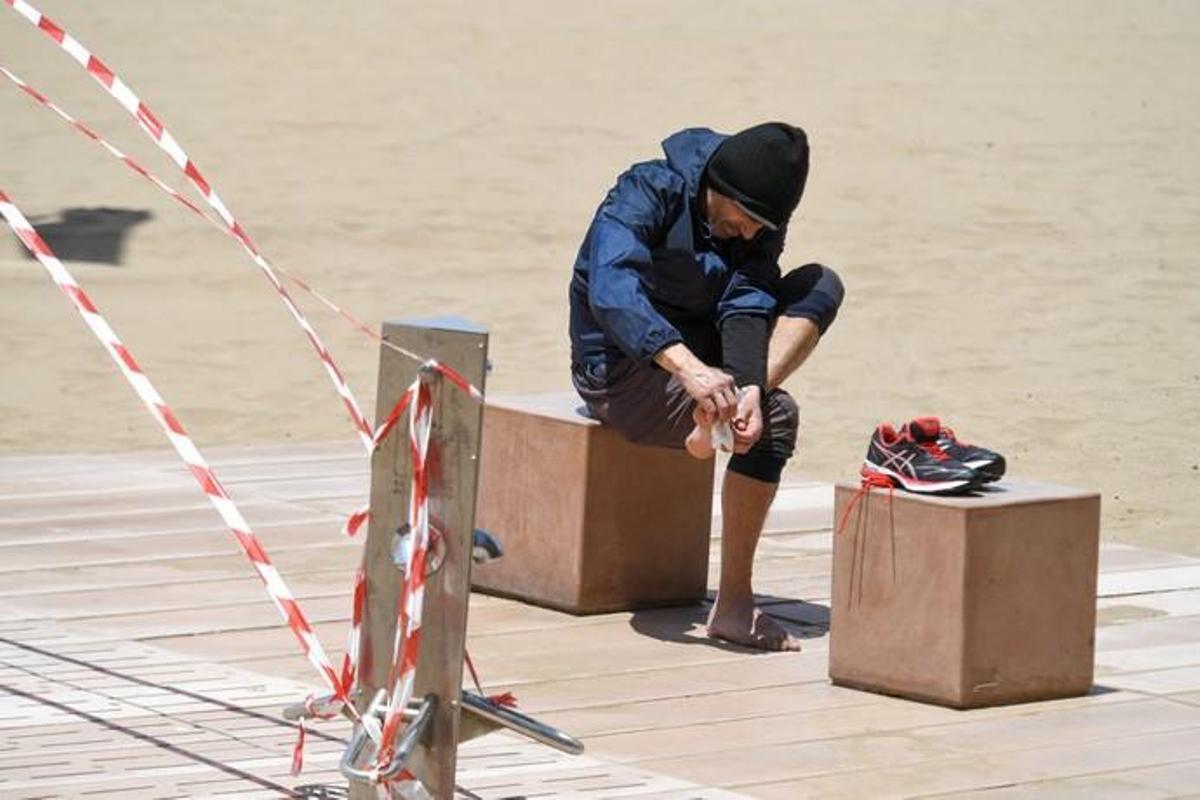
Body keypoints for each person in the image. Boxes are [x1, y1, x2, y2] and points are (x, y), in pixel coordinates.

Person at [568, 122, 844, 651]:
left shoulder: (757, 226)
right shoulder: (646, 190)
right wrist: (687, 369)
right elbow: (611, 286)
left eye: (762, 228)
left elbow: (748, 299)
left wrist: (747, 387)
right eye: (744, 220)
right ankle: (738, 602)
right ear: (720, 189)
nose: (748, 235)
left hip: (705, 360)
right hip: (621, 368)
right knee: (782, 420)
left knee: (819, 284)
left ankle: (733, 410)